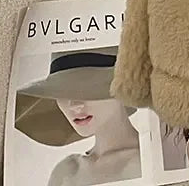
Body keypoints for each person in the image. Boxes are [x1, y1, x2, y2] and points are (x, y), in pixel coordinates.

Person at [14, 47, 141, 185]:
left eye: (89, 88)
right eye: (61, 92)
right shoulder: (66, 171)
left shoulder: (152, 158)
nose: (74, 105)